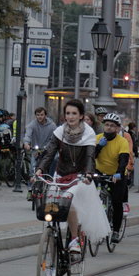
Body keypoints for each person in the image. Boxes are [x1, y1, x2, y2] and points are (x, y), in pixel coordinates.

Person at [35, 99, 108, 254]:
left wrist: (88, 174)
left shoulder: (88, 133)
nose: (70, 117)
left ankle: (74, 239)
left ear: (81, 116)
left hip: (79, 177)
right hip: (60, 174)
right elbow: (50, 152)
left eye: (74, 113)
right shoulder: (60, 131)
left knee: (68, 201)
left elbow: (89, 157)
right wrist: (40, 169)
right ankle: (52, 237)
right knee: (52, 205)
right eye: (68, 113)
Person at [94, 113, 130, 243]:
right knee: (94, 199)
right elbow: (91, 157)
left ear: (118, 129)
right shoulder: (97, 138)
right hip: (100, 172)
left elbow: (124, 159)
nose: (109, 128)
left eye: (112, 126)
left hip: (117, 174)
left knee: (116, 201)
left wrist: (119, 173)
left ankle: (115, 230)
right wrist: (99, 147)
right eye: (107, 125)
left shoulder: (122, 141)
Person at [23, 107, 56, 196]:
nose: (39, 117)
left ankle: (50, 182)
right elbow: (28, 135)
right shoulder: (32, 125)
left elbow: (54, 138)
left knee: (54, 161)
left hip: (47, 150)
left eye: (41, 115)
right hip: (35, 150)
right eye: (38, 115)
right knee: (32, 168)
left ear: (45, 115)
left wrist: (50, 147)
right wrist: (26, 143)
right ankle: (30, 190)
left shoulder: (52, 125)